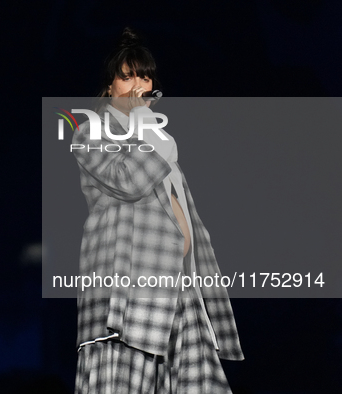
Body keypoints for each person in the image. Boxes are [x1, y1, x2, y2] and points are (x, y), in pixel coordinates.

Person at [73, 28, 244, 393]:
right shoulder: (91, 132)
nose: (139, 83)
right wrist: (147, 127)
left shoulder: (159, 138)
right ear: (108, 87)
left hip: (178, 290)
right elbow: (128, 181)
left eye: (145, 74)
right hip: (127, 294)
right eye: (127, 75)